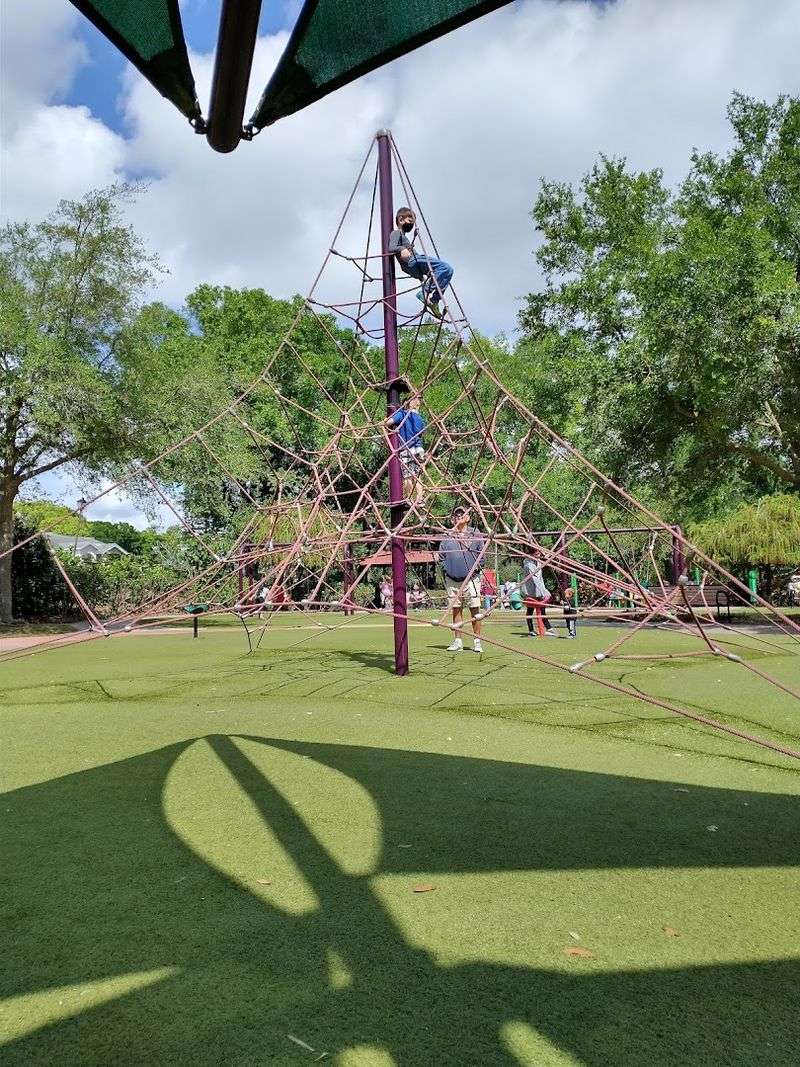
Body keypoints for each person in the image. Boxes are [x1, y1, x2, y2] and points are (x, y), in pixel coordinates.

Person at [388, 206, 454, 318]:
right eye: (410, 221)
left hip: (415, 267)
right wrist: (402, 249)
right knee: (446, 268)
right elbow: (391, 247)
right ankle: (426, 292)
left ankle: (434, 301)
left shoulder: (403, 236)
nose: (412, 224)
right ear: (400, 220)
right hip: (413, 260)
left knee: (447, 272)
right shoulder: (396, 233)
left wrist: (421, 278)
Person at [438, 506, 485, 653]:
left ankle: (477, 641)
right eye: (456, 514)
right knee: (456, 609)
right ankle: (458, 641)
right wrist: (448, 569)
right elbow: (441, 557)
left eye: (462, 514)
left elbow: (482, 557)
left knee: (474, 610)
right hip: (452, 579)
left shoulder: (475, 534)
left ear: (468, 517)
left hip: (471, 579)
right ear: (452, 519)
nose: (459, 516)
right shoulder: (448, 536)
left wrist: (474, 571)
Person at [385, 392, 426, 504]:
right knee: (417, 476)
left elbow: (388, 423)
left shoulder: (402, 414)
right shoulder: (420, 418)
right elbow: (422, 432)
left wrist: (384, 423)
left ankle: (408, 498)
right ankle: (420, 499)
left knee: (407, 476)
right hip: (419, 449)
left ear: (407, 403)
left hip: (407, 449)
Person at [521, 555, 557, 637]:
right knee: (530, 610)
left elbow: (539, 577)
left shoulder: (537, 561)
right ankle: (531, 629)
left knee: (542, 610)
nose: (538, 556)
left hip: (538, 590)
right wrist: (544, 592)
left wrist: (548, 556)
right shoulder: (528, 564)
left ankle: (548, 628)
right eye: (537, 554)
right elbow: (535, 579)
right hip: (531, 591)